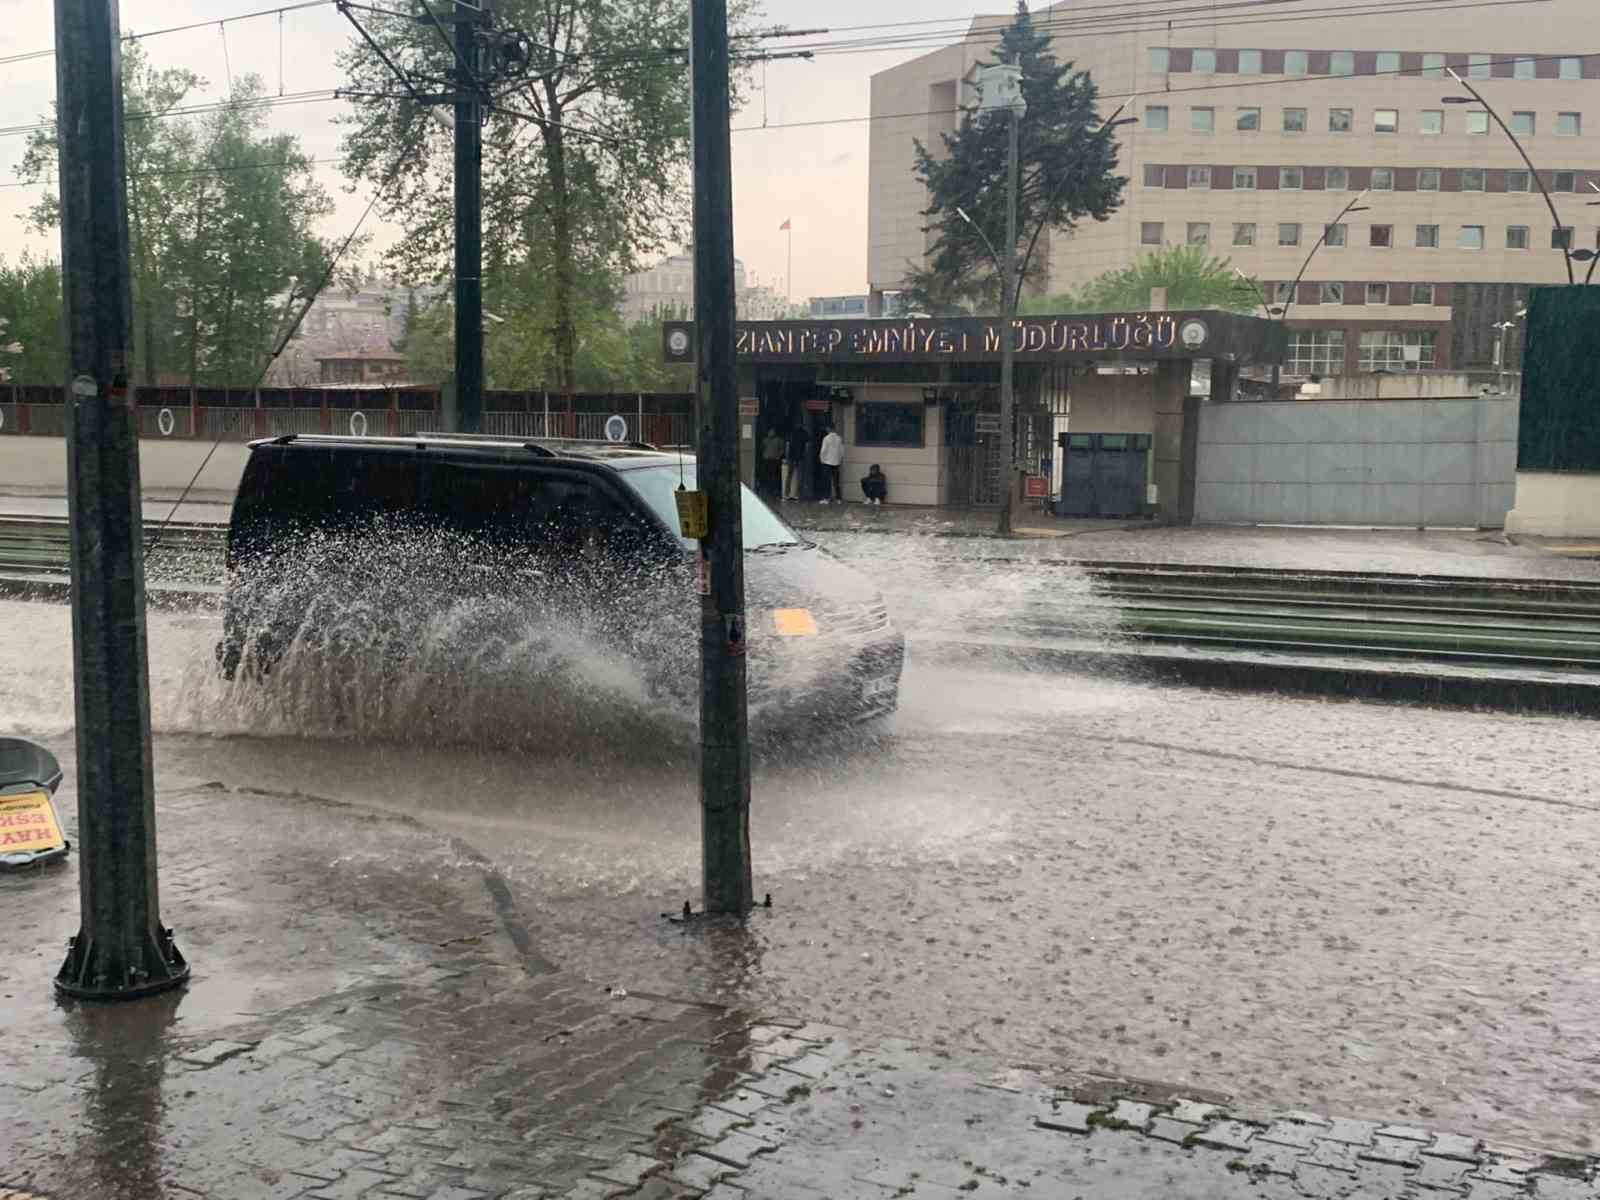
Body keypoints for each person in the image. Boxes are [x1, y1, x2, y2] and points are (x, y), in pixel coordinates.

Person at [818, 424, 844, 503]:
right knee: (836, 481)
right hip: (836, 462)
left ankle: (826, 498)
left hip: (827, 462)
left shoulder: (826, 438)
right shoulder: (839, 438)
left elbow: (823, 450)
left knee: (826, 481)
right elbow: (842, 451)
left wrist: (821, 459)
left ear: (828, 428)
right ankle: (838, 499)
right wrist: (840, 459)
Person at [783, 425, 808, 501]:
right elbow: (807, 446)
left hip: (791, 457)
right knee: (800, 476)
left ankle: (786, 495)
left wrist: (787, 457)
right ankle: (798, 495)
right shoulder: (804, 433)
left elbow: (787, 446)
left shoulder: (790, 433)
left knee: (789, 475)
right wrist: (805, 455)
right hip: (800, 457)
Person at [760, 427, 785, 497]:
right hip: (767, 459)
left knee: (774, 475)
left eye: (772, 431)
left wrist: (779, 456)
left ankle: (774, 490)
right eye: (770, 431)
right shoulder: (765, 440)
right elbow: (762, 448)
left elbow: (782, 449)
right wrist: (764, 455)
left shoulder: (778, 440)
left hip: (775, 460)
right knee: (767, 475)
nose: (771, 433)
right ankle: (768, 489)